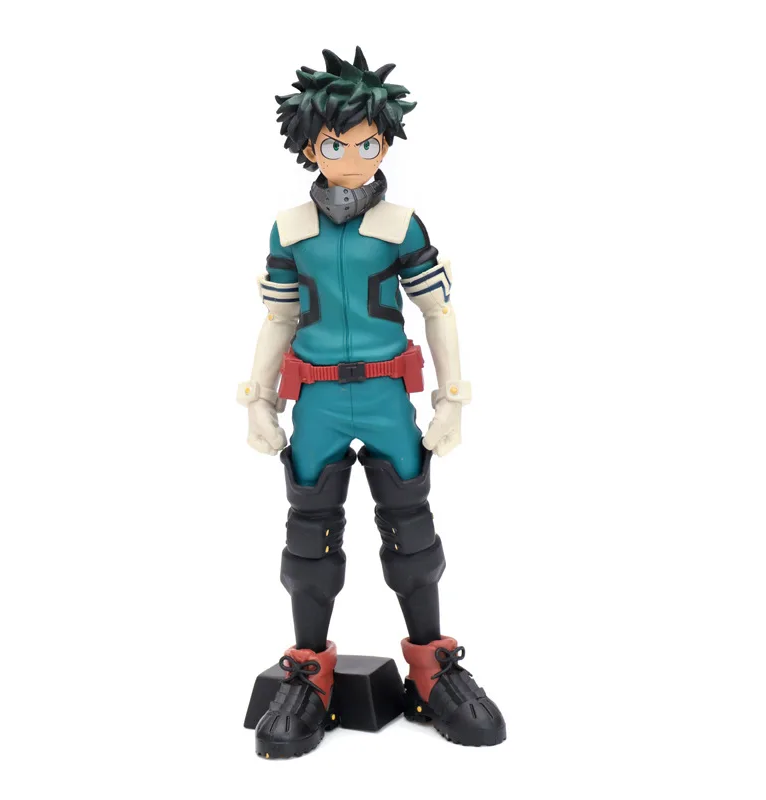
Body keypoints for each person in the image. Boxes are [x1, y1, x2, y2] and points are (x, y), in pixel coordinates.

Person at [237, 47, 505, 758]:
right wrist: (258, 399)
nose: (353, 159)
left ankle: (430, 666)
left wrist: (452, 399)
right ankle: (309, 670)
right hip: (318, 400)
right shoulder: (290, 229)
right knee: (309, 537)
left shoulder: (402, 225)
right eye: (336, 145)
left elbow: (437, 310)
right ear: (308, 148)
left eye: (368, 144)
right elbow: (279, 318)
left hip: (388, 394)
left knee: (412, 532)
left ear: (386, 144)